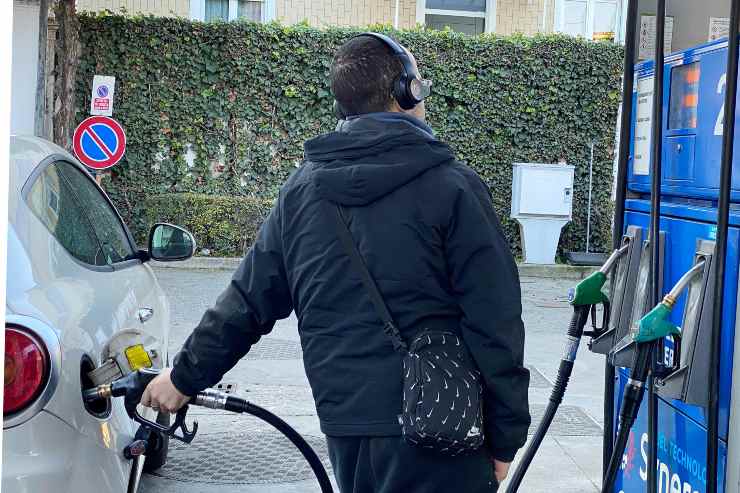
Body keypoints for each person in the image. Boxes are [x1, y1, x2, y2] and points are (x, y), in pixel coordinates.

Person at [141, 32, 531, 493]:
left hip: (346, 423)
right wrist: (505, 436)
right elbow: (495, 319)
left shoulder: (301, 192)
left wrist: (183, 377)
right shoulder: (454, 188)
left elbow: (247, 302)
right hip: (441, 420)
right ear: (407, 91)